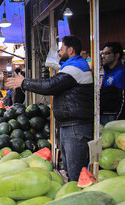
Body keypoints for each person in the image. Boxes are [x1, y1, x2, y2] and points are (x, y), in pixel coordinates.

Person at [7, 35, 94, 181]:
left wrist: (24, 83)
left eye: (61, 49)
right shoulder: (72, 66)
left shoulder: (76, 67)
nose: (59, 53)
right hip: (71, 126)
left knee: (76, 172)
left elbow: (50, 85)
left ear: (71, 50)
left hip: (76, 127)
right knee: (69, 168)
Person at [100, 42, 125, 125]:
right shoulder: (107, 71)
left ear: (117, 55)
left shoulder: (122, 73)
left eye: (107, 53)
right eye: (102, 53)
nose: (103, 56)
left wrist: (118, 120)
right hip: (103, 116)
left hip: (113, 117)